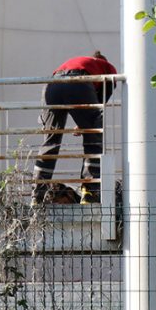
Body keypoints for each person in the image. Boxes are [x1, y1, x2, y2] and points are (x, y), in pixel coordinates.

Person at [32, 51, 118, 206]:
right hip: (78, 82)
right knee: (94, 134)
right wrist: (87, 124)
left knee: (51, 141)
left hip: (52, 85)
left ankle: (37, 195)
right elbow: (101, 103)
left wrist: (82, 121)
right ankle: (90, 192)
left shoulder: (80, 61)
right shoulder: (107, 67)